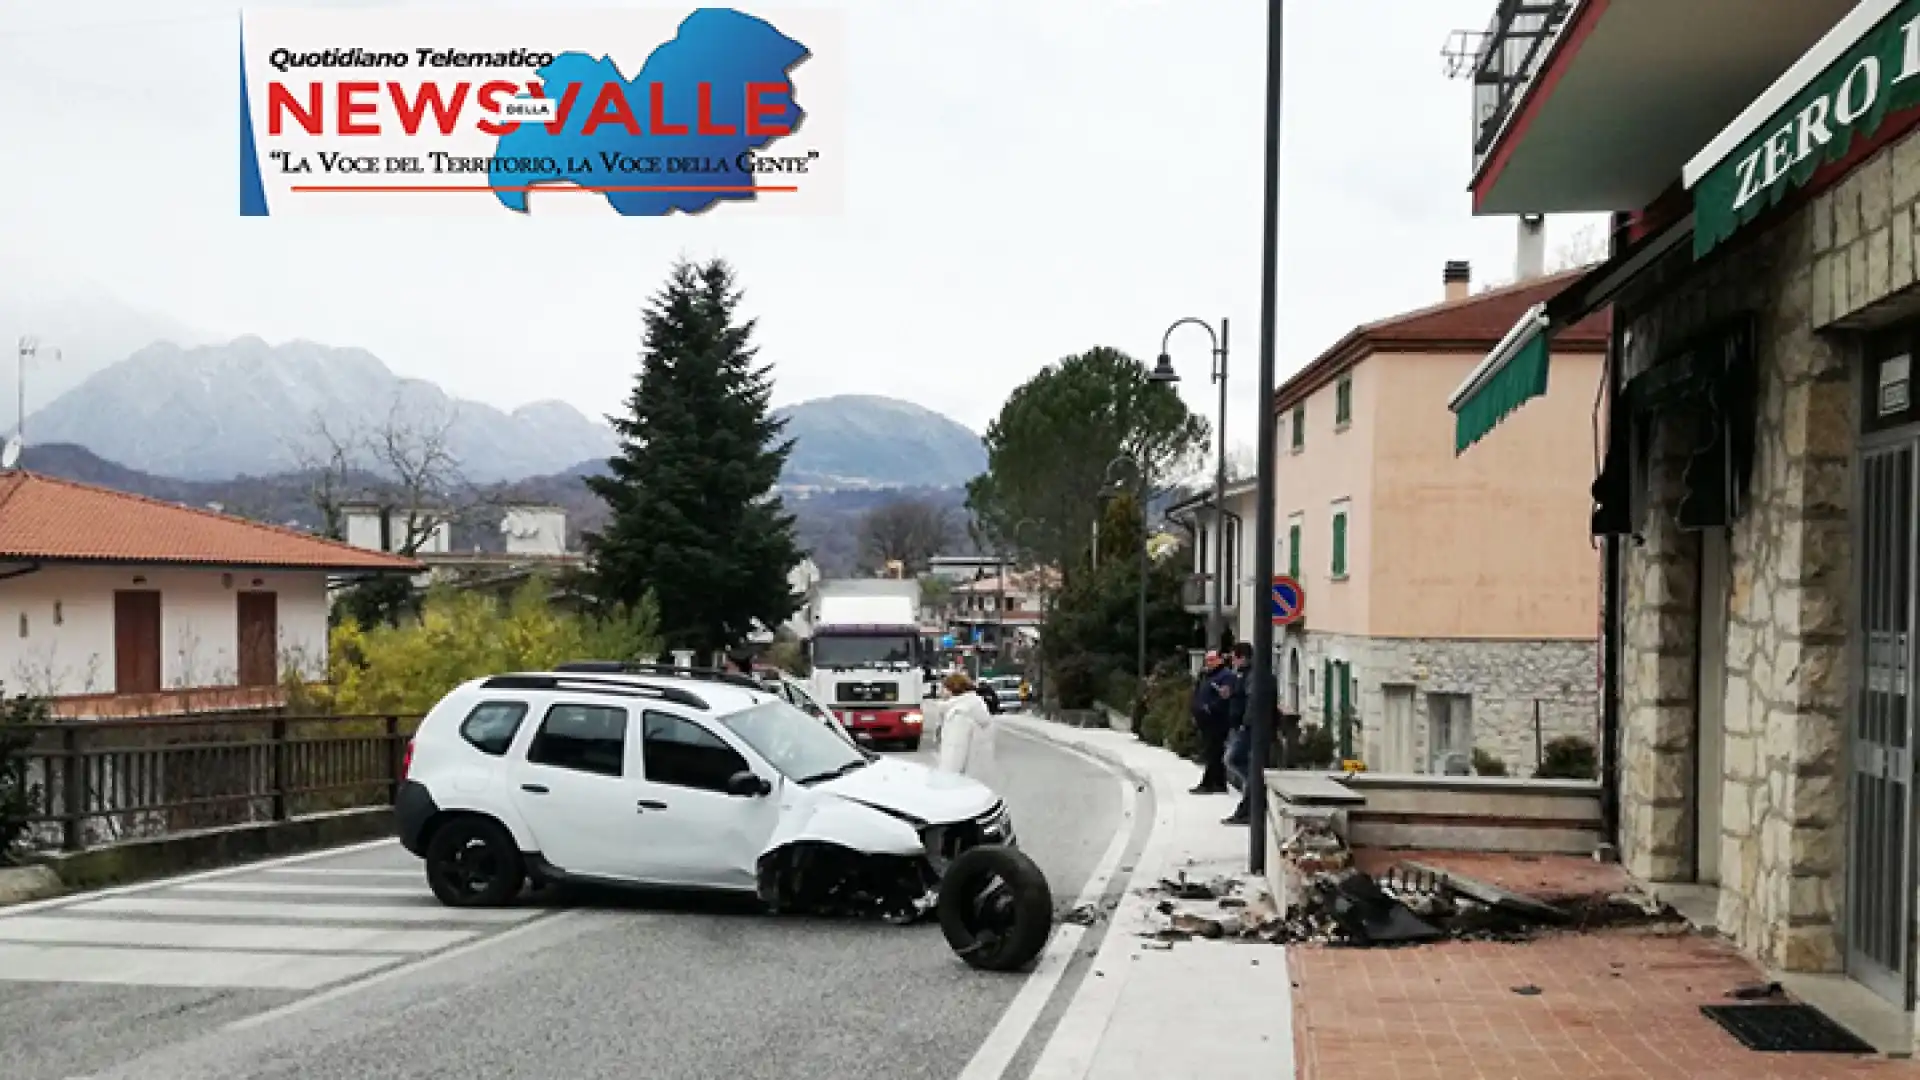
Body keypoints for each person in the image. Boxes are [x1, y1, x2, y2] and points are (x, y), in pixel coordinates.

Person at [1222, 642, 1278, 826]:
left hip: (1251, 729)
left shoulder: (1255, 676)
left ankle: (1255, 789)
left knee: (1234, 759)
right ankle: (1253, 790)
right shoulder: (1247, 675)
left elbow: (1253, 703)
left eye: (1234, 658)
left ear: (1242, 657)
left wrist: (1245, 724)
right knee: (1238, 761)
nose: (1233, 662)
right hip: (1248, 727)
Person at [935, 672, 997, 782]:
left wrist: (945, 780)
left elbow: (955, 752)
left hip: (961, 783)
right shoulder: (976, 708)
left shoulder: (959, 714)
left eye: (943, 688)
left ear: (951, 689)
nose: (940, 692)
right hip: (977, 779)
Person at [1190, 652, 1234, 794]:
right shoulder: (1206, 676)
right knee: (1214, 752)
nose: (1208, 662)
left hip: (1217, 720)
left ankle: (1207, 784)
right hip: (1205, 720)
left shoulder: (1225, 676)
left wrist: (1209, 708)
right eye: (1207, 660)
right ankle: (1219, 783)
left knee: (1212, 752)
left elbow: (1225, 697)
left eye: (1212, 660)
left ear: (1219, 660)